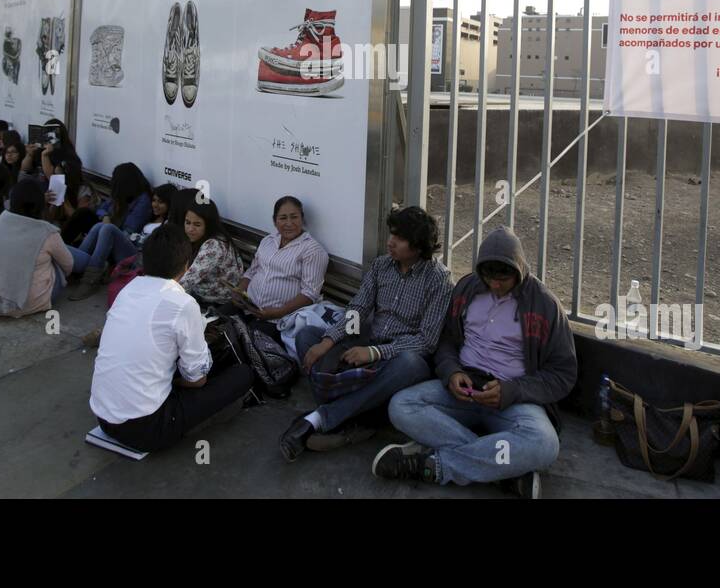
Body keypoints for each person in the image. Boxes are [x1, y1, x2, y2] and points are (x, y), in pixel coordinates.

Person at [375, 226, 577, 498]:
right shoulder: (468, 288)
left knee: (544, 443)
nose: (495, 285)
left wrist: (512, 390)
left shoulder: (544, 305)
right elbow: (446, 341)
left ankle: (438, 465)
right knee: (401, 406)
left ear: (518, 269)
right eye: (489, 277)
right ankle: (505, 470)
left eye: (503, 278)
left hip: (515, 398)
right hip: (463, 390)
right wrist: (450, 372)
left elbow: (563, 374)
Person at [280, 206, 451, 460]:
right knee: (307, 336)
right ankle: (356, 419)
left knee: (410, 365)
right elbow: (358, 308)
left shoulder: (438, 280)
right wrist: (327, 341)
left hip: (398, 358)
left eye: (399, 238)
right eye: (391, 234)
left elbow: (426, 341)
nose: (390, 242)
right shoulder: (382, 265)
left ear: (418, 247)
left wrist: (373, 353)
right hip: (368, 340)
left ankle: (320, 418)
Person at [88, 225, 254, 454]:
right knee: (242, 374)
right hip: (147, 429)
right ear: (186, 266)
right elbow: (197, 380)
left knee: (173, 358)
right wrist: (177, 381)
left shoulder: (129, 289)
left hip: (103, 417)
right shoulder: (182, 304)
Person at [0, 180, 73, 317]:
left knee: (49, 249)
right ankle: (95, 266)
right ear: (40, 204)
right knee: (56, 258)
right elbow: (69, 265)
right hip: (25, 303)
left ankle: (94, 260)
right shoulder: (46, 232)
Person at [67, 163, 154, 299]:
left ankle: (89, 281)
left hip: (130, 250)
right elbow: (101, 208)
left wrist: (109, 227)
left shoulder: (142, 201)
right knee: (98, 226)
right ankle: (77, 268)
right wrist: (105, 216)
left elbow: (128, 231)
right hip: (110, 235)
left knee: (106, 228)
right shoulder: (119, 195)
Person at [235, 196, 328, 322]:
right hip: (247, 308)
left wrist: (279, 312)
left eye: (294, 217)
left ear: (302, 218)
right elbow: (251, 272)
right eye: (283, 218)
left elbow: (309, 293)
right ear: (275, 221)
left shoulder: (312, 250)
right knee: (214, 324)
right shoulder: (268, 241)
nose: (289, 223)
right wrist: (239, 291)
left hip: (279, 319)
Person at [179, 197, 244, 309]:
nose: (190, 229)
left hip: (218, 304)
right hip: (202, 296)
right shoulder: (202, 238)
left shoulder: (214, 246)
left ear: (208, 225)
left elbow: (187, 282)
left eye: (197, 224)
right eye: (187, 222)